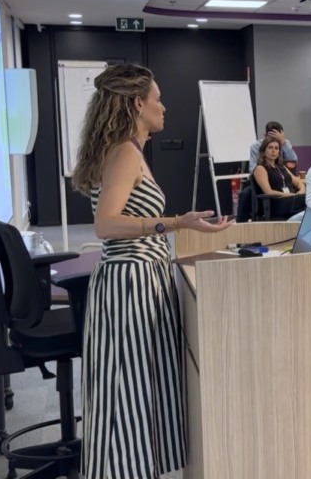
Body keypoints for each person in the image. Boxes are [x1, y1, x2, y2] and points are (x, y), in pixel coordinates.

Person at [72, 64, 233, 478]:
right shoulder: (125, 151)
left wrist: (183, 223)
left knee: (140, 388)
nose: (164, 107)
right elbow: (106, 225)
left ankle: (138, 467)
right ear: (137, 103)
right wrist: (175, 222)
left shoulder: (129, 150)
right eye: (158, 99)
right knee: (130, 389)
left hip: (140, 279)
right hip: (130, 285)